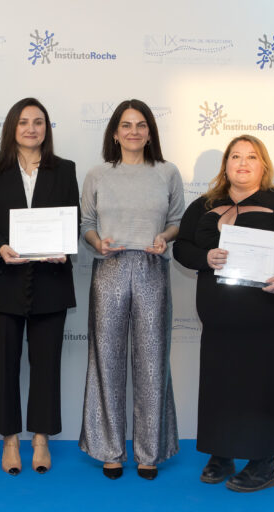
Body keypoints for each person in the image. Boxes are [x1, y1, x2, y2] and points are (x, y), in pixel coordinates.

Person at [173, 134, 274, 492]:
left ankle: (263, 463)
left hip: (272, 312)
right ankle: (221, 452)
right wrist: (204, 257)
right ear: (225, 165)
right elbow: (182, 248)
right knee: (222, 383)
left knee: (265, 384)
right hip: (221, 317)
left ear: (263, 165)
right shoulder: (205, 205)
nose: (242, 163)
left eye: (251, 157)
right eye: (235, 156)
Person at [0, 98, 79, 475]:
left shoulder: (64, 170)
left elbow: (73, 220)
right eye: (23, 122)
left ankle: (41, 438)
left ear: (47, 128)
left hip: (50, 280)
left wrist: (64, 249)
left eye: (38, 122)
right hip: (3, 279)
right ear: (11, 129)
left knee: (46, 364)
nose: (31, 128)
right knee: (3, 363)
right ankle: (10, 439)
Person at [79, 99, 183, 480]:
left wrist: (165, 237)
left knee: (152, 361)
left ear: (150, 132)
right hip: (109, 268)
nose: (134, 132)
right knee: (105, 360)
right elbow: (87, 222)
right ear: (115, 132)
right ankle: (109, 448)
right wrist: (95, 242)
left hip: (153, 268)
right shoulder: (98, 174)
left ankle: (148, 451)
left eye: (141, 125)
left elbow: (176, 221)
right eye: (126, 125)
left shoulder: (167, 172)